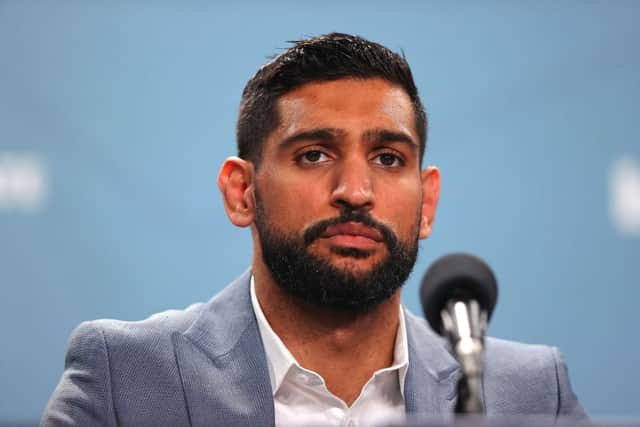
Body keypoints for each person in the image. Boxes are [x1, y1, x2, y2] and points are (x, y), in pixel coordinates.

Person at [42, 33, 586, 426]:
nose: (355, 189)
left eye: (389, 159)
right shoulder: (127, 378)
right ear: (241, 192)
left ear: (427, 202)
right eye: (314, 154)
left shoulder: (526, 391)